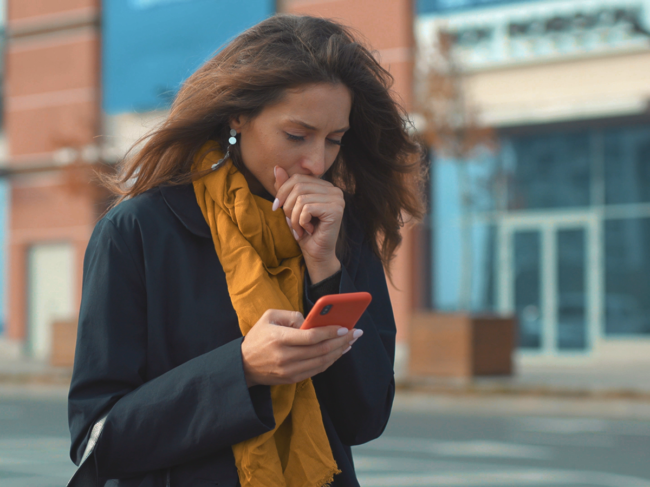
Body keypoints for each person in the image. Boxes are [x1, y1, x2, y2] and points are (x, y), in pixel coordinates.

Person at [68, 14, 425, 487]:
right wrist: (242, 370)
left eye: (334, 140)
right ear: (238, 116)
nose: (316, 162)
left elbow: (365, 420)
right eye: (297, 135)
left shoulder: (340, 232)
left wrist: (325, 268)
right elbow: (96, 438)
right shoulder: (138, 230)